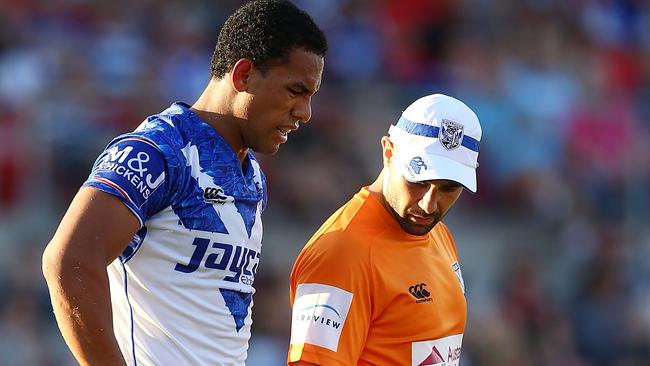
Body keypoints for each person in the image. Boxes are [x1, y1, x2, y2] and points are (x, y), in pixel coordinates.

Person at [41, 1, 327, 364]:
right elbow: (69, 261)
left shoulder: (251, 173)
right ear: (243, 76)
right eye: (295, 91)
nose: (305, 113)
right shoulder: (157, 151)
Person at [287, 94, 482, 365]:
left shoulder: (437, 233)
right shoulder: (342, 253)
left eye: (448, 188)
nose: (429, 204)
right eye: (418, 180)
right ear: (388, 152)